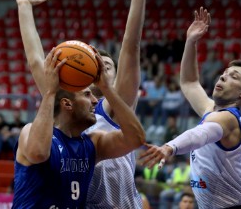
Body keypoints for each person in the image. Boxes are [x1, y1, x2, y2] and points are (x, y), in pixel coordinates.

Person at [16, 0, 159, 207]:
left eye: (105, 67)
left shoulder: (110, 110)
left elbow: (131, 47)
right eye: (92, 66)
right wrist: (24, 8)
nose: (96, 71)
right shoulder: (59, 99)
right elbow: (35, 60)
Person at [141, 7, 241, 209]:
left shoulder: (228, 119)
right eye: (225, 72)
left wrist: (170, 147)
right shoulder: (212, 111)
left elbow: (200, 134)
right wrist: (190, 42)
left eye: (234, 77)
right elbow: (189, 82)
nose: (223, 76)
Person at [12, 48, 145, 208]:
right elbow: (38, 153)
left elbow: (136, 138)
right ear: (67, 103)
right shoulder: (30, 130)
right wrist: (50, 93)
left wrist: (107, 89)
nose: (95, 101)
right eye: (87, 95)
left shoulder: (93, 143)